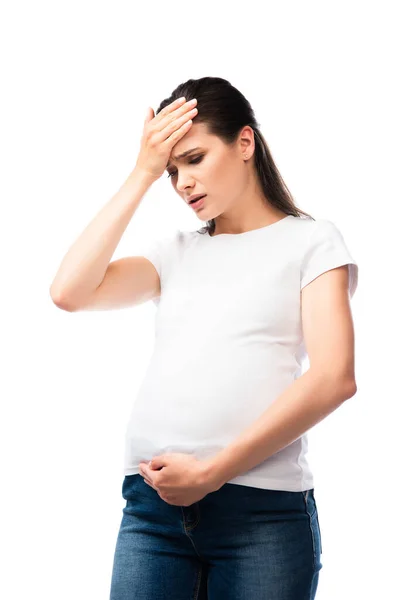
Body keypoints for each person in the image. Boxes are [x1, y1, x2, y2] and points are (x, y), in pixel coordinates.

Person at [50, 76, 358, 599]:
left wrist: (213, 472)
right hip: (152, 513)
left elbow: (334, 379)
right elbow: (69, 292)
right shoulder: (174, 252)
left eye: (193, 159)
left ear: (244, 142)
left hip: (260, 517)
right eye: (172, 171)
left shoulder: (312, 241)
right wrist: (141, 173)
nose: (182, 183)